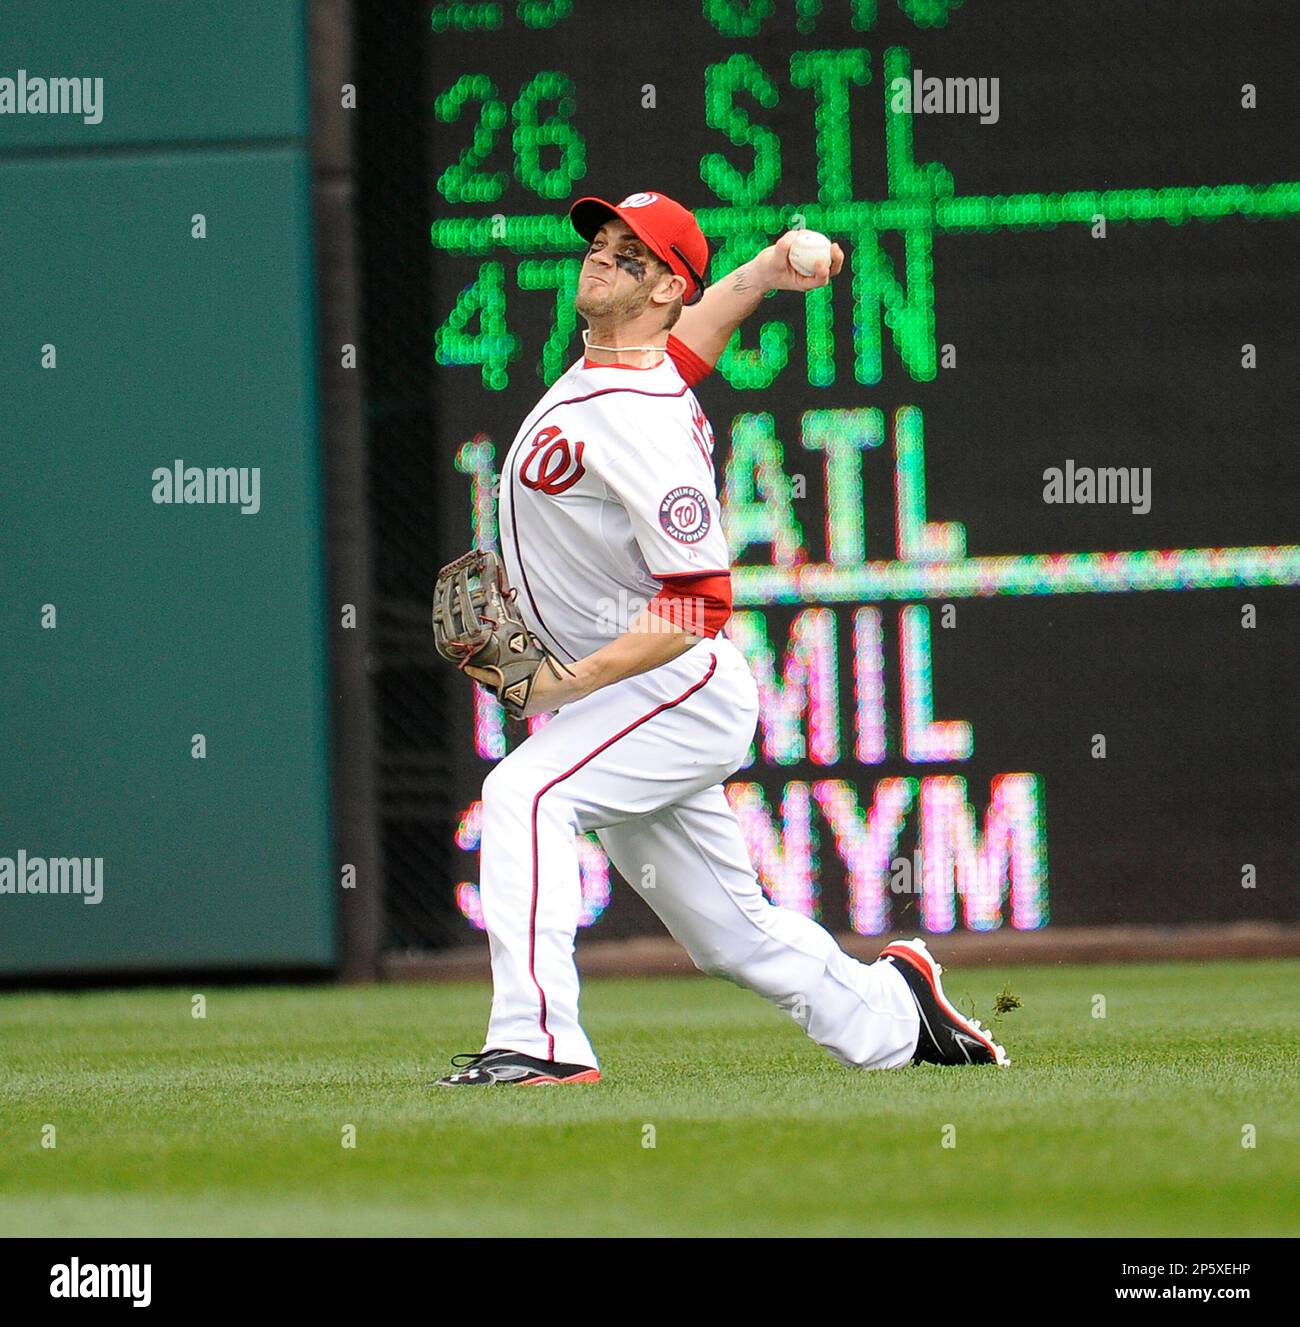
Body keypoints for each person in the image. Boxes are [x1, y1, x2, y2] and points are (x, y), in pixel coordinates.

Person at [436, 191, 1008, 1086]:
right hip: (631, 697)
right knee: (728, 930)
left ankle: (539, 1042)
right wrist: (766, 273)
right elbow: (692, 338)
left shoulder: (643, 422)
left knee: (525, 796)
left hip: (674, 692)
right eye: (602, 241)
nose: (601, 257)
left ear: (663, 286)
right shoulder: (628, 367)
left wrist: (567, 680)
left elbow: (700, 600)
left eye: (631, 255)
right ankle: (898, 1015)